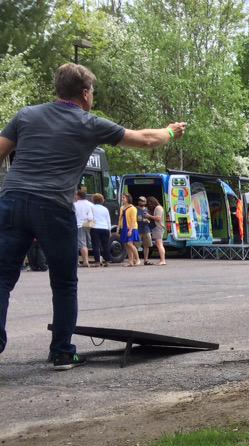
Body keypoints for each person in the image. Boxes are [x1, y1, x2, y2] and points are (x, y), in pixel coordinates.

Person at [0, 62, 185, 368]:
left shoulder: (26, 115)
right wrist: (170, 131)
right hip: (53, 207)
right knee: (63, 282)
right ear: (85, 94)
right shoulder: (88, 123)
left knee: (3, 277)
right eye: (93, 92)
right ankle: (61, 351)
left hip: (12, 201)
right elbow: (146, 139)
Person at [118, 192, 140, 267]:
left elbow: (134, 220)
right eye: (122, 197)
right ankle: (130, 261)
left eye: (123, 197)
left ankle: (137, 259)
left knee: (129, 244)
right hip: (124, 228)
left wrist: (130, 230)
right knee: (126, 245)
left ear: (128, 199)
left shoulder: (133, 208)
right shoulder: (122, 207)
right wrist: (118, 228)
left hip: (132, 228)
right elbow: (120, 218)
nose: (122, 199)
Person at [73, 188, 94, 267]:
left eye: (75, 195)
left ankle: (85, 262)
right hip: (89, 224)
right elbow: (92, 216)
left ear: (78, 196)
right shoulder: (90, 204)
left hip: (79, 225)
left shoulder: (75, 205)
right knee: (88, 243)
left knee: (81, 244)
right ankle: (86, 260)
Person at [89, 193, 111, 267]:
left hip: (95, 228)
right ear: (102, 200)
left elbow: (90, 218)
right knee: (105, 245)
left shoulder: (92, 208)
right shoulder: (105, 209)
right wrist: (109, 229)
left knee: (96, 245)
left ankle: (97, 262)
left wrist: (89, 225)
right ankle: (107, 260)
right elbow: (108, 220)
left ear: (93, 200)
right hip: (105, 228)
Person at [146, 195, 166, 265]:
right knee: (159, 244)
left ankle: (163, 260)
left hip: (158, 228)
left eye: (149, 203)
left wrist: (149, 216)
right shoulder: (157, 208)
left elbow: (158, 218)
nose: (149, 204)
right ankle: (162, 260)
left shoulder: (158, 208)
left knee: (159, 244)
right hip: (157, 228)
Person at [136, 196, 152, 264]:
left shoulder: (147, 210)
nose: (141, 202)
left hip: (146, 229)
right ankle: (135, 260)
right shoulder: (135, 209)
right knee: (136, 246)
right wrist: (139, 219)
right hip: (137, 229)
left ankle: (146, 260)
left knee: (147, 245)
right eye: (139, 200)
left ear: (145, 202)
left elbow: (150, 219)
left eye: (142, 201)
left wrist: (148, 220)